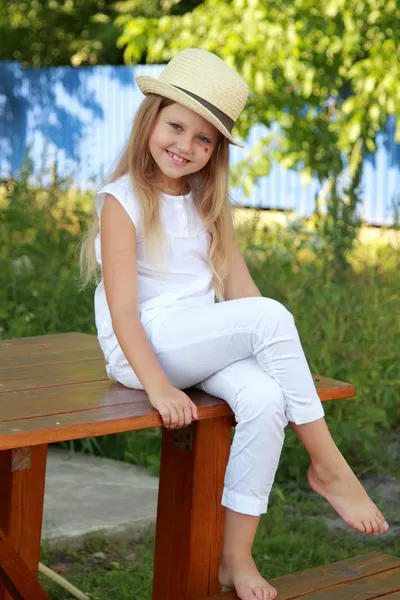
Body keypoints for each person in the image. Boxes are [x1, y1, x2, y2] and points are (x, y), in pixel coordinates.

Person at [79, 48, 389, 600]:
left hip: (196, 338)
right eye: (176, 126)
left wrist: (270, 352)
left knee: (267, 399)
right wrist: (157, 386)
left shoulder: (205, 200)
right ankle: (328, 466)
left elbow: (241, 292)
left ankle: (235, 560)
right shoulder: (121, 201)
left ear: (216, 150)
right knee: (269, 317)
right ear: (151, 118)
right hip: (143, 347)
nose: (186, 146)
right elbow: (124, 311)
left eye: (204, 139)